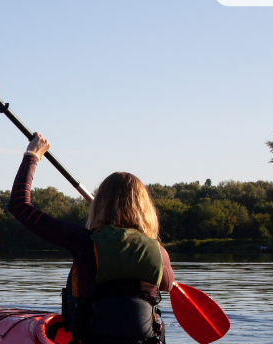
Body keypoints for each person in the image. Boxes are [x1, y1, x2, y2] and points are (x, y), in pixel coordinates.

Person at [10, 133, 174, 344]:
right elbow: (168, 285)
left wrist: (32, 155)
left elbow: (20, 206)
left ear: (99, 206)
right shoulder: (159, 253)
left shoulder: (84, 242)